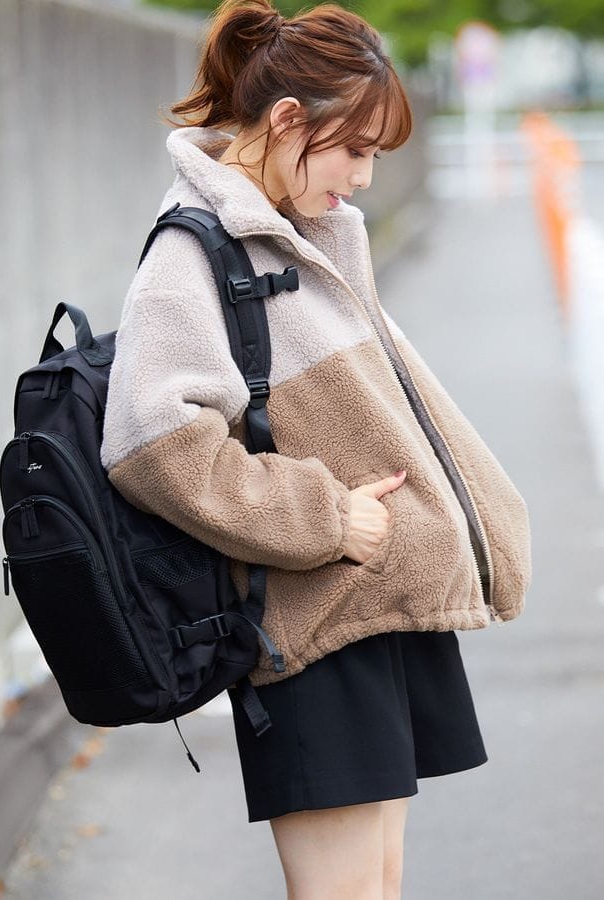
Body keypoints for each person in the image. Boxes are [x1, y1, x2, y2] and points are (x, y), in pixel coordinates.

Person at [100, 1, 532, 896]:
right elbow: (151, 445)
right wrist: (328, 517)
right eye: (356, 150)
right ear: (290, 119)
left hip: (377, 611)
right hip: (310, 626)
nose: (365, 178)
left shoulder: (308, 233)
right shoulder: (195, 250)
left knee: (378, 886)